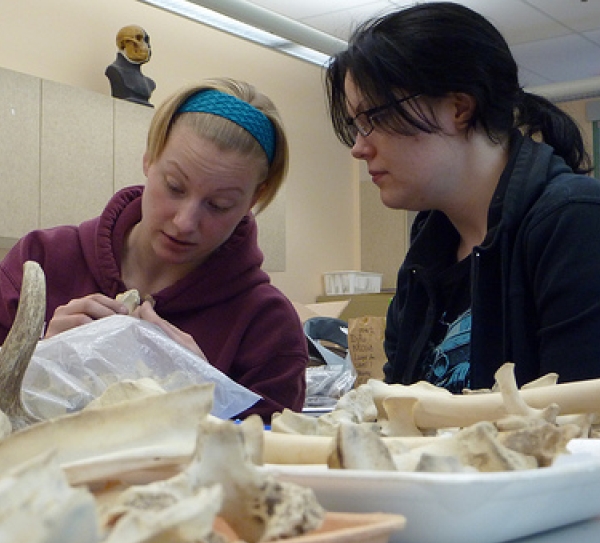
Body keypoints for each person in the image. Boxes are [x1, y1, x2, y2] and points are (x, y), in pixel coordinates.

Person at [325, 2, 600, 393]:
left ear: (458, 108)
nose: (359, 147)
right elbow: (400, 408)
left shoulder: (574, 222)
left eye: (374, 118)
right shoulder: (427, 252)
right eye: (356, 125)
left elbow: (581, 429)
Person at [0, 77, 308, 421]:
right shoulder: (41, 261)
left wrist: (209, 394)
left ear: (255, 198)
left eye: (219, 205)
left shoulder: (267, 325)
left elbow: (271, 461)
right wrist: (37, 358)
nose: (184, 222)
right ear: (149, 158)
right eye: (174, 187)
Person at [105, 25, 156, 107]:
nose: (146, 46)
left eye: (146, 41)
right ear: (124, 43)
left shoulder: (150, 83)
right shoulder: (115, 71)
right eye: (139, 39)